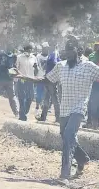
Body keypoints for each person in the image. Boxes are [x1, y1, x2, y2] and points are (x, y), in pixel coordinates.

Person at [44, 37, 99, 179]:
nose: (68, 53)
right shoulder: (60, 66)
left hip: (79, 108)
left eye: (71, 50)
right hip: (64, 108)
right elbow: (47, 80)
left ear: (79, 51)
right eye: (66, 51)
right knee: (65, 135)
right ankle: (82, 159)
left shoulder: (89, 67)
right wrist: (23, 76)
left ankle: (64, 175)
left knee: (69, 135)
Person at [0, 46, 19, 117]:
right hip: (9, 80)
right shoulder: (14, 57)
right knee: (12, 96)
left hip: (0, 79)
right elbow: (13, 67)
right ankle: (16, 112)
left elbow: (0, 64)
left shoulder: (1, 55)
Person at [37, 46, 61, 123]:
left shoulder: (54, 53)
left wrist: (51, 75)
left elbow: (55, 63)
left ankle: (58, 117)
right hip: (49, 79)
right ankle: (43, 117)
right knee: (47, 98)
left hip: (51, 80)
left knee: (54, 99)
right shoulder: (52, 53)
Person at [16, 43, 39, 121]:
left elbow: (36, 70)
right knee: (22, 98)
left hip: (31, 81)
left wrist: (36, 69)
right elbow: (16, 68)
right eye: (28, 50)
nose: (29, 52)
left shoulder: (34, 58)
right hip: (22, 80)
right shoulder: (19, 57)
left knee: (30, 98)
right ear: (24, 50)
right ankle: (22, 115)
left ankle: (24, 112)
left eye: (30, 51)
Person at [87, 41, 99, 129]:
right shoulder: (91, 56)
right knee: (91, 102)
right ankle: (90, 122)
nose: (97, 47)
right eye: (96, 45)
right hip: (93, 83)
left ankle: (95, 123)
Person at [35, 42, 50, 111]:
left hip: (47, 78)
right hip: (39, 77)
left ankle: (44, 107)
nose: (46, 49)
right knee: (39, 93)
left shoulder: (49, 56)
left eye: (47, 48)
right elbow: (36, 66)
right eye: (45, 48)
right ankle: (37, 106)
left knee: (46, 93)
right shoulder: (38, 56)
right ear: (43, 48)